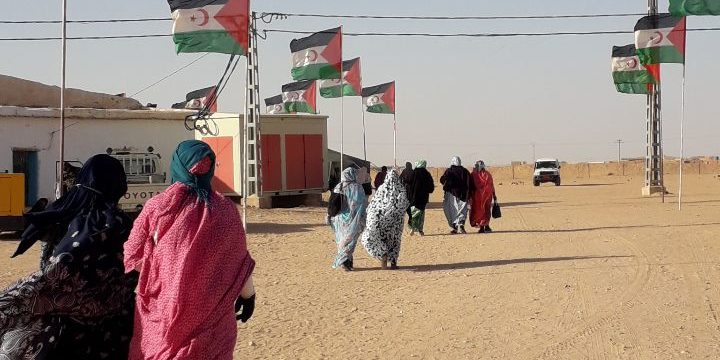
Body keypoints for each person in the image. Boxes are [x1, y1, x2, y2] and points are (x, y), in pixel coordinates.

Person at [124, 140, 256, 360]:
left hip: (165, 317)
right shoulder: (226, 210)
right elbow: (238, 258)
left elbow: (133, 254)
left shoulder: (158, 207)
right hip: (215, 322)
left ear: (177, 165)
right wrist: (248, 295)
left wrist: (163, 270)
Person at [0, 154, 138, 359]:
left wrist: (6, 301)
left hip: (75, 340)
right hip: (117, 336)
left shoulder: (91, 225)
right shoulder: (126, 224)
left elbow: (56, 278)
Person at [362, 169, 410, 269]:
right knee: (394, 241)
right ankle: (393, 263)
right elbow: (403, 204)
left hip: (380, 219)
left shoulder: (381, 189)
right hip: (395, 222)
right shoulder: (400, 189)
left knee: (379, 238)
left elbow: (374, 204)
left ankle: (382, 254)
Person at [329, 167, 368, 271]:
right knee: (351, 241)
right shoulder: (358, 187)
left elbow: (333, 203)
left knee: (342, 240)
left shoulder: (339, 186)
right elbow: (363, 204)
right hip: (355, 219)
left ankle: (345, 262)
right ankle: (347, 262)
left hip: (340, 219)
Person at [440, 156, 475, 234]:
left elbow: (442, 180)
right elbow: (470, 184)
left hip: (452, 195)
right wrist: (469, 194)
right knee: (463, 210)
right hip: (464, 195)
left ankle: (455, 227)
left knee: (452, 210)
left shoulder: (449, 171)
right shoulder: (465, 171)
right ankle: (461, 224)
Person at [408, 160, 435, 236]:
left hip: (414, 196)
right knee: (421, 213)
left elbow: (409, 182)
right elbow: (431, 187)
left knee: (414, 212)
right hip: (423, 197)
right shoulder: (427, 174)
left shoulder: (413, 173)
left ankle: (413, 226)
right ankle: (420, 230)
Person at [469, 160, 497, 233]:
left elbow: (470, 186)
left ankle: (482, 227)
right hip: (487, 196)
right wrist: (494, 196)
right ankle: (486, 226)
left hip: (477, 197)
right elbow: (491, 186)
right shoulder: (488, 174)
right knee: (486, 210)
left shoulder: (473, 174)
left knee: (480, 211)